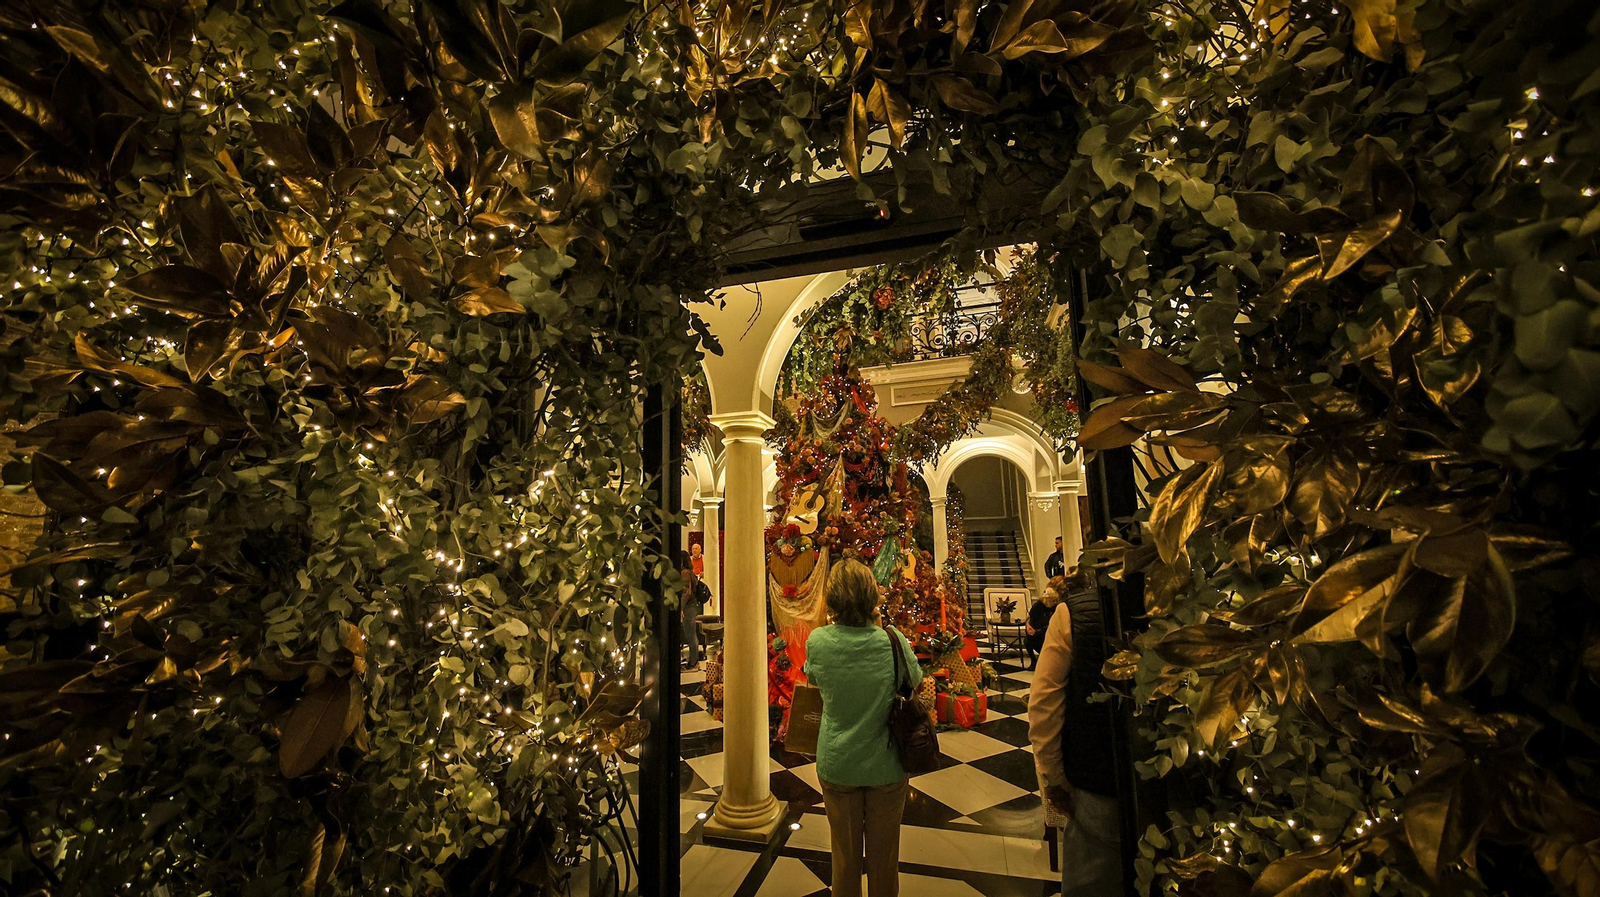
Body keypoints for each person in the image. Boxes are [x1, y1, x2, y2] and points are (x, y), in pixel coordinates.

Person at [803, 558, 923, 897]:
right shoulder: (891, 640)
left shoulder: (819, 641)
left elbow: (812, 677)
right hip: (886, 765)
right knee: (885, 859)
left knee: (843, 858)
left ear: (833, 600)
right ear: (872, 597)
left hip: (838, 763)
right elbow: (914, 679)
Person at [1028, 565, 1123, 897]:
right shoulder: (1186, 604)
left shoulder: (1073, 613)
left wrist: (1053, 778)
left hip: (1096, 777)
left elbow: (1043, 705)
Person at [1024, 575, 1066, 670]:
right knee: (1028, 640)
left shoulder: (1058, 606)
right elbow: (1030, 618)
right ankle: (1035, 661)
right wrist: (1029, 627)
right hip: (1038, 630)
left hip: (1048, 630)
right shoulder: (1039, 605)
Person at [678, 551, 710, 671]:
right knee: (691, 634)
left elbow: (686, 592)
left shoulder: (685, 574)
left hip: (689, 607)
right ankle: (693, 660)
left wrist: (681, 608)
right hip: (692, 606)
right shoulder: (690, 572)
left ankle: (693, 662)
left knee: (690, 634)